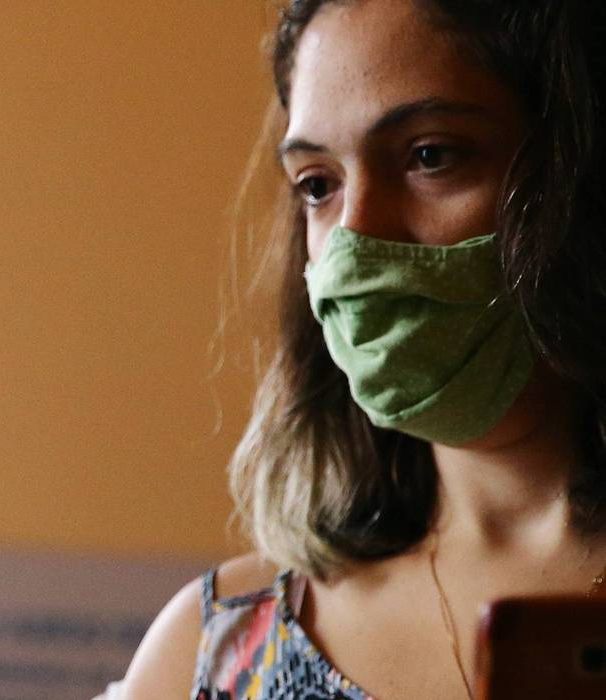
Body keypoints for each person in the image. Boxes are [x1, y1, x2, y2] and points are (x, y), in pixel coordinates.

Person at [99, 0, 606, 698]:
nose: (354, 236)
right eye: (317, 185)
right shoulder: (213, 651)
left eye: (430, 156)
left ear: (577, 179)